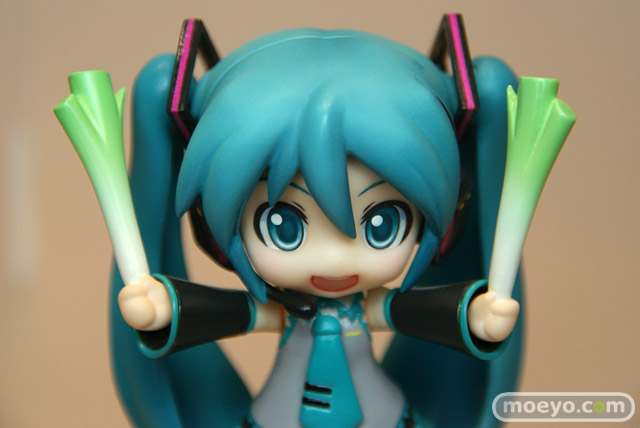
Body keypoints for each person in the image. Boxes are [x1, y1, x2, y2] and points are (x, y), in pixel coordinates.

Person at [110, 21, 522, 428]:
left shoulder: (370, 310)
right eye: (283, 226)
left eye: (382, 225)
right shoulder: (284, 312)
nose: (334, 260)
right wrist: (166, 309)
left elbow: (425, 314)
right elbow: (224, 314)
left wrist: (474, 317)